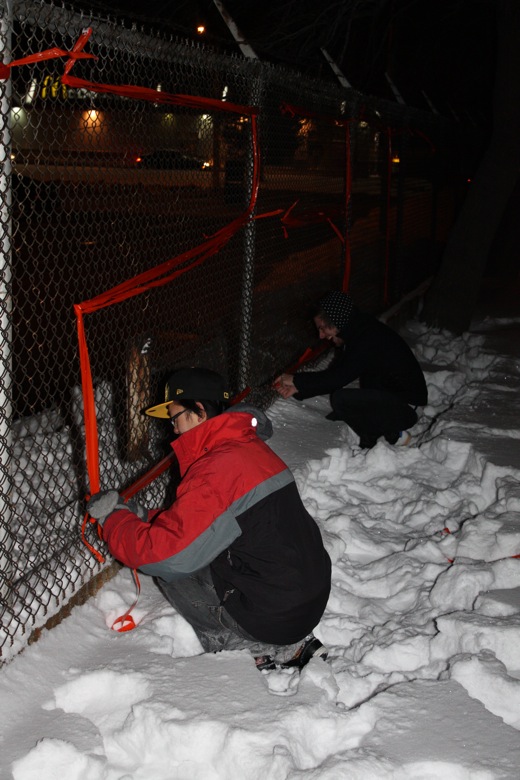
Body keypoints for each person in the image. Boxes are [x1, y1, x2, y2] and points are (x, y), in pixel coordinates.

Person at [87, 367, 331, 672]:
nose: (173, 430)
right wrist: (141, 517)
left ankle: (246, 648)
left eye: (176, 418)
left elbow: (165, 556)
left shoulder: (215, 469)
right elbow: (202, 519)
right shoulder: (245, 448)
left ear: (198, 411)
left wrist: (113, 521)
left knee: (176, 571)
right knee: (200, 548)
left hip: (277, 616)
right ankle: (290, 638)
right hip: (307, 599)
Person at [275, 291, 428, 449]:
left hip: (407, 407)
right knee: (348, 402)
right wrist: (299, 388)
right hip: (396, 401)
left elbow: (338, 378)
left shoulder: (367, 337)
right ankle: (377, 440)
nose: (320, 335)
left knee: (342, 399)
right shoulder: (358, 331)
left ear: (336, 323)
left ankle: (389, 437)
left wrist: (295, 379)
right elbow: (336, 373)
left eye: (322, 328)